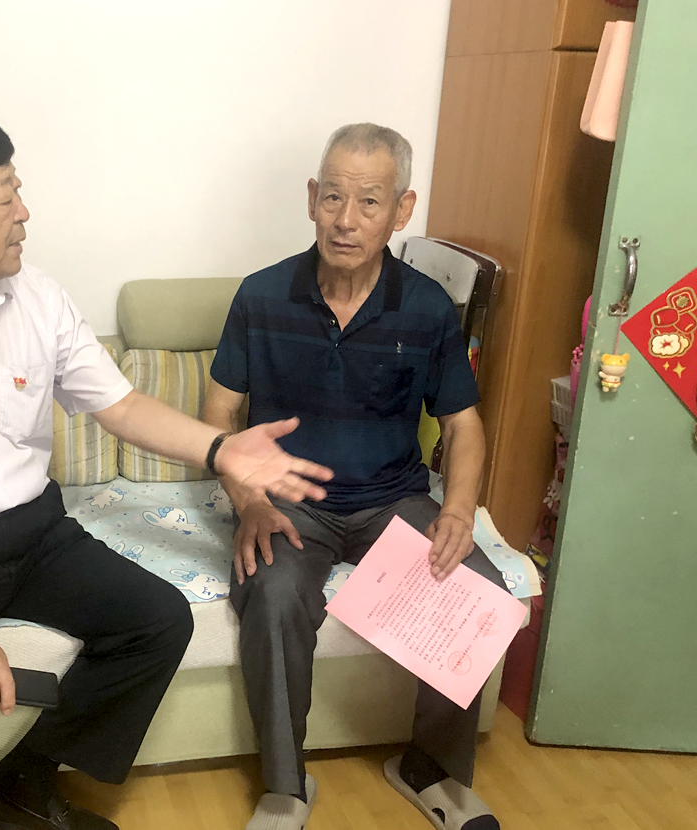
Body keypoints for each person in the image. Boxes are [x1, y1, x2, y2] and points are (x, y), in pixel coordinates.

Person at [0, 106, 332, 830]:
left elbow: (120, 405)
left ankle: (21, 783)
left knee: (157, 621)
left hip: (31, 534)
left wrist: (221, 449)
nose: (24, 213)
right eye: (5, 197)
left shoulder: (37, 297)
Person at [202, 123, 505, 830]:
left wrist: (458, 511)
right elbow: (218, 413)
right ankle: (285, 787)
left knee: (479, 587)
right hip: (288, 499)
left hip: (393, 499)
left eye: (369, 201)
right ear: (312, 198)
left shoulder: (427, 307)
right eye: (333, 196)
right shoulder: (261, 296)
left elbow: (463, 426)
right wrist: (248, 498)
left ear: (401, 210)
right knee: (274, 591)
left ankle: (429, 769)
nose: (346, 219)